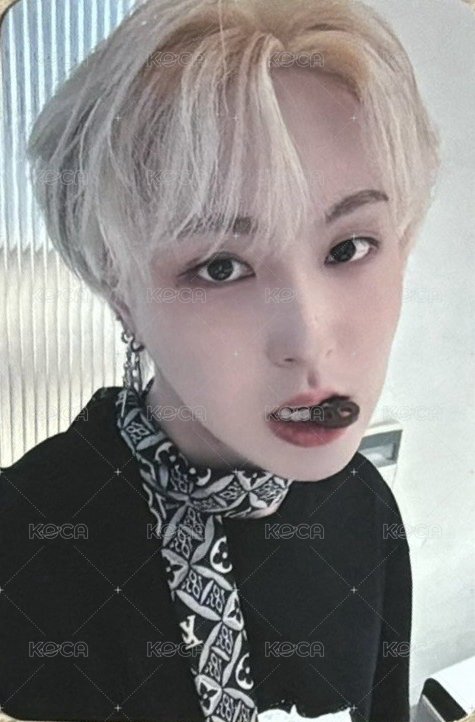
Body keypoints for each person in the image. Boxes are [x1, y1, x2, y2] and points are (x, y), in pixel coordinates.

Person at [0, 0, 441, 720]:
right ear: (121, 295)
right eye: (220, 268)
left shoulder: (364, 508)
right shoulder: (23, 548)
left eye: (348, 247)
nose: (309, 338)